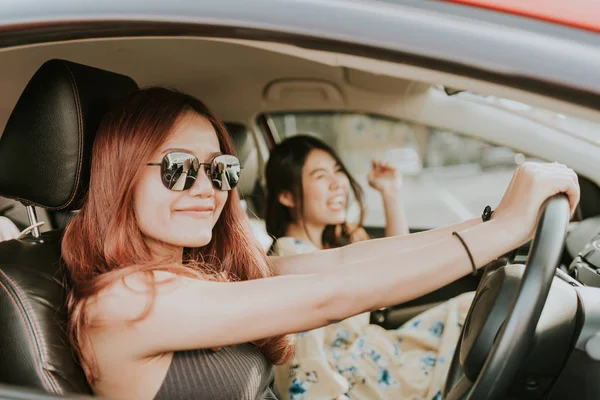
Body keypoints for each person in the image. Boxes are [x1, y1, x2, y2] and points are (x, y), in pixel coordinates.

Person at [60, 87, 579, 400]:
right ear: (122, 176)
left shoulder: (196, 274)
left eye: (221, 170)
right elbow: (329, 298)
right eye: (178, 169)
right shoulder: (121, 303)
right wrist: (501, 231)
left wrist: (489, 223)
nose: (207, 189)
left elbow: (344, 264)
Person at [264, 135, 473, 400]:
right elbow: (305, 363)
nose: (337, 183)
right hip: (355, 380)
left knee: (470, 311)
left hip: (378, 353)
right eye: (320, 176)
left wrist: (390, 192)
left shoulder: (338, 241)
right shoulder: (289, 259)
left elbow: (396, 268)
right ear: (286, 196)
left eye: (337, 171)